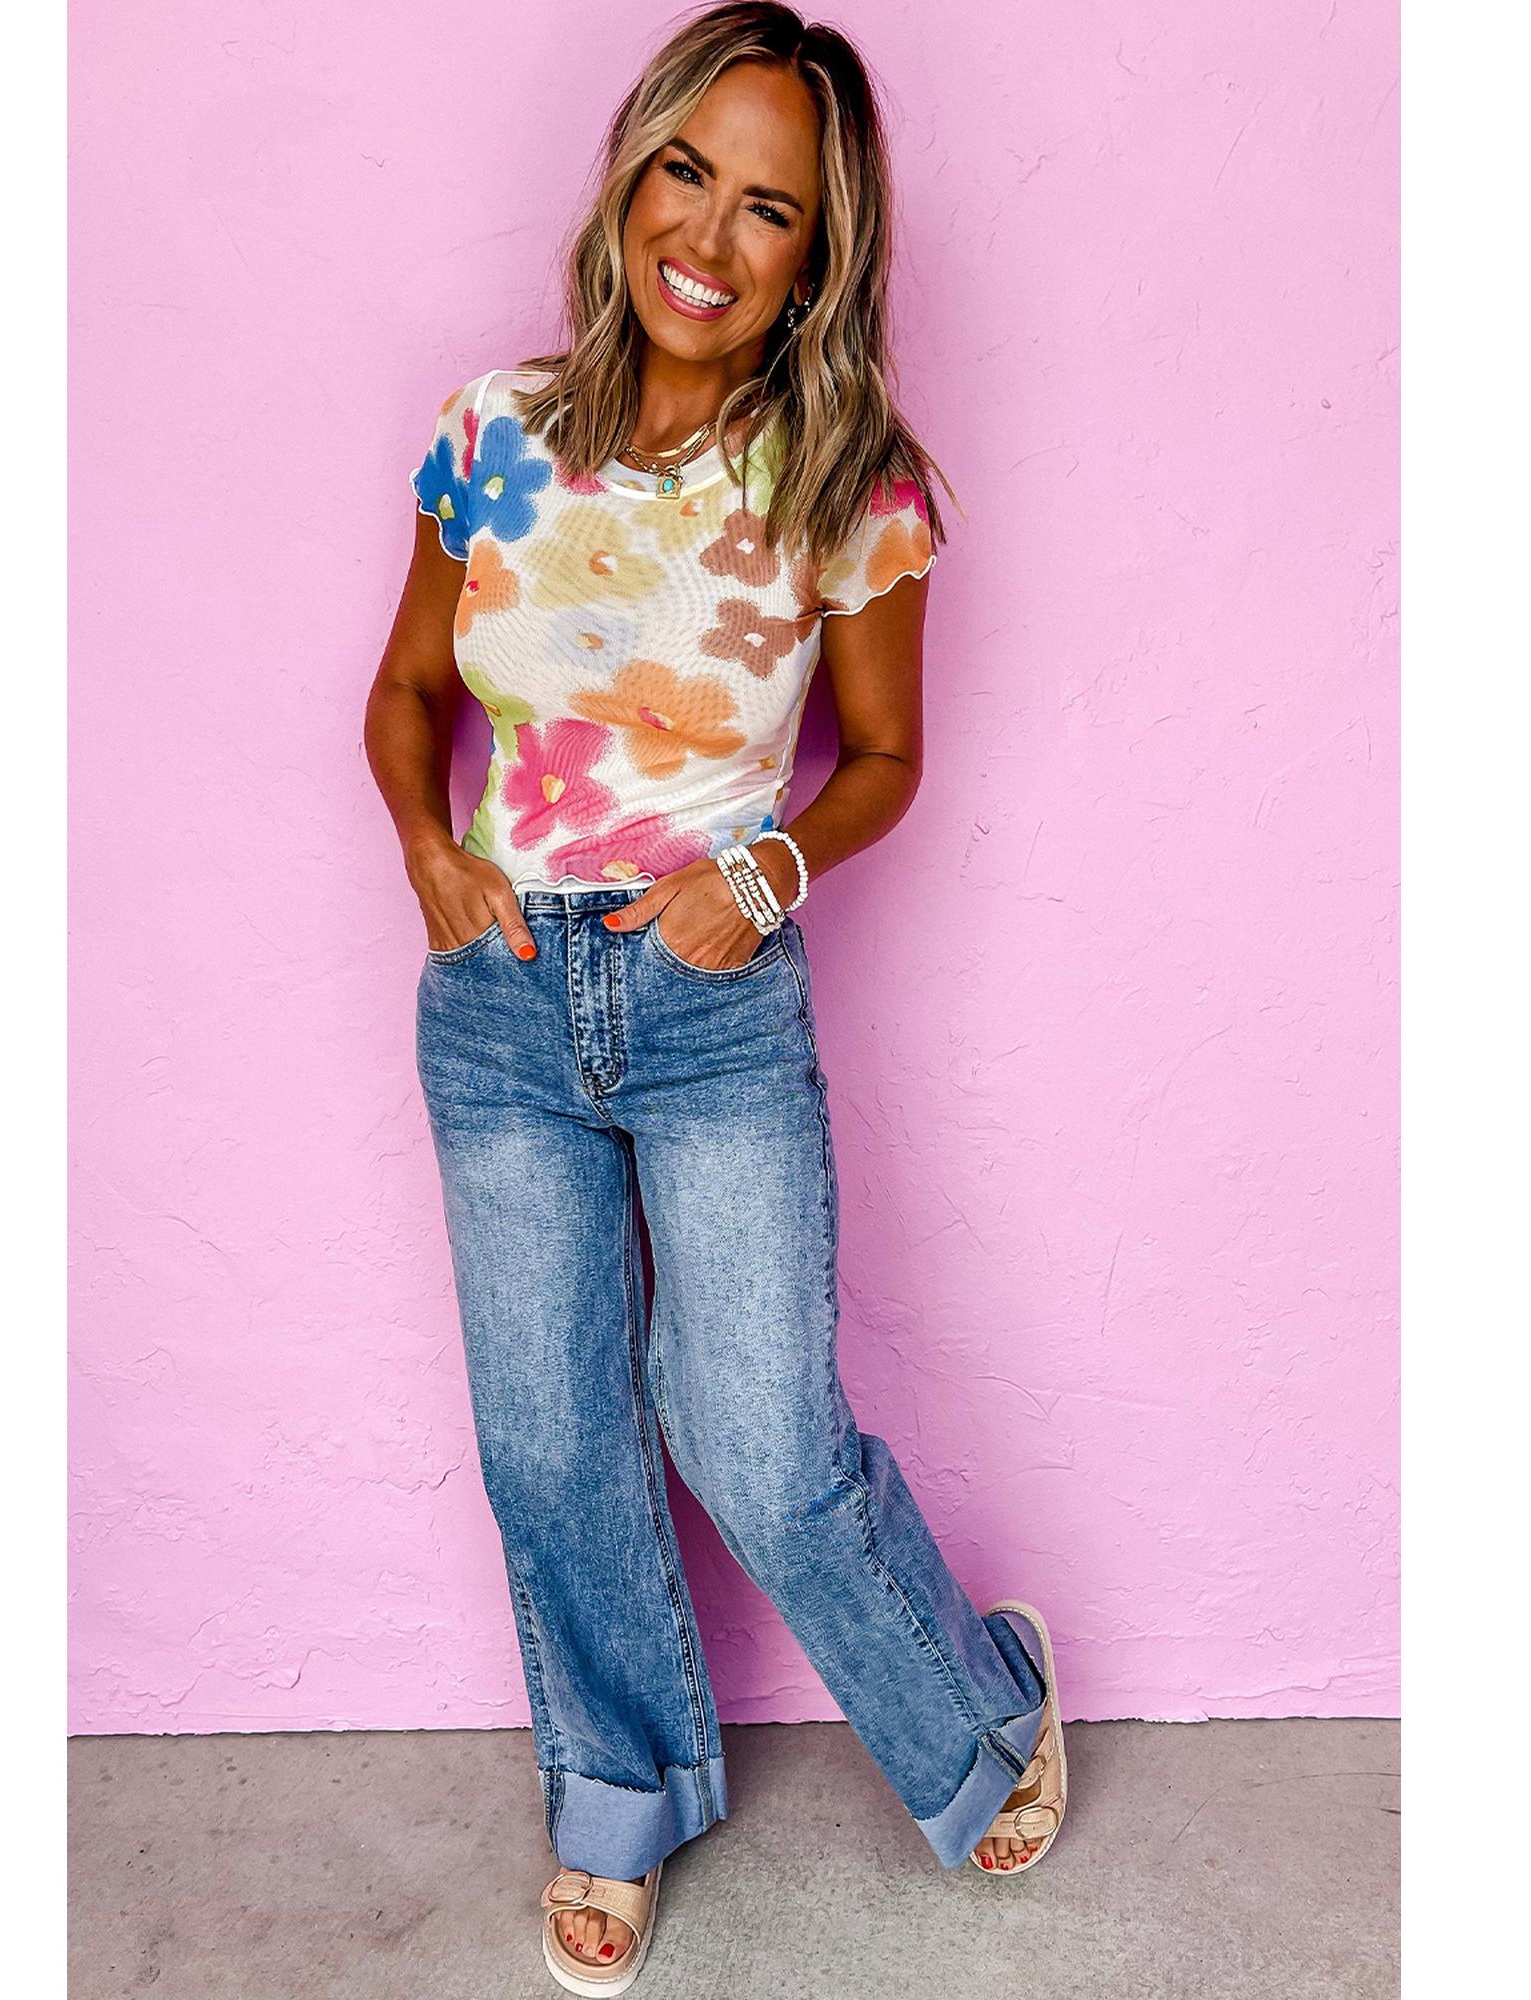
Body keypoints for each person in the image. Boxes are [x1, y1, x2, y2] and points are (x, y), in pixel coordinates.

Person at [365, 5, 1067, 1989]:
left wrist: (760, 875)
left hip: (710, 996)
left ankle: (979, 1712)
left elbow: (883, 760)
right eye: (689, 172)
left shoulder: (850, 481)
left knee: (748, 1434)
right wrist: (428, 855)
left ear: (816, 259)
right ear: (629, 174)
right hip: (502, 994)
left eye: (772, 208)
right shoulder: (490, 432)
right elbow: (404, 691)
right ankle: (618, 1793)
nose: (711, 233)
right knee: (550, 1442)